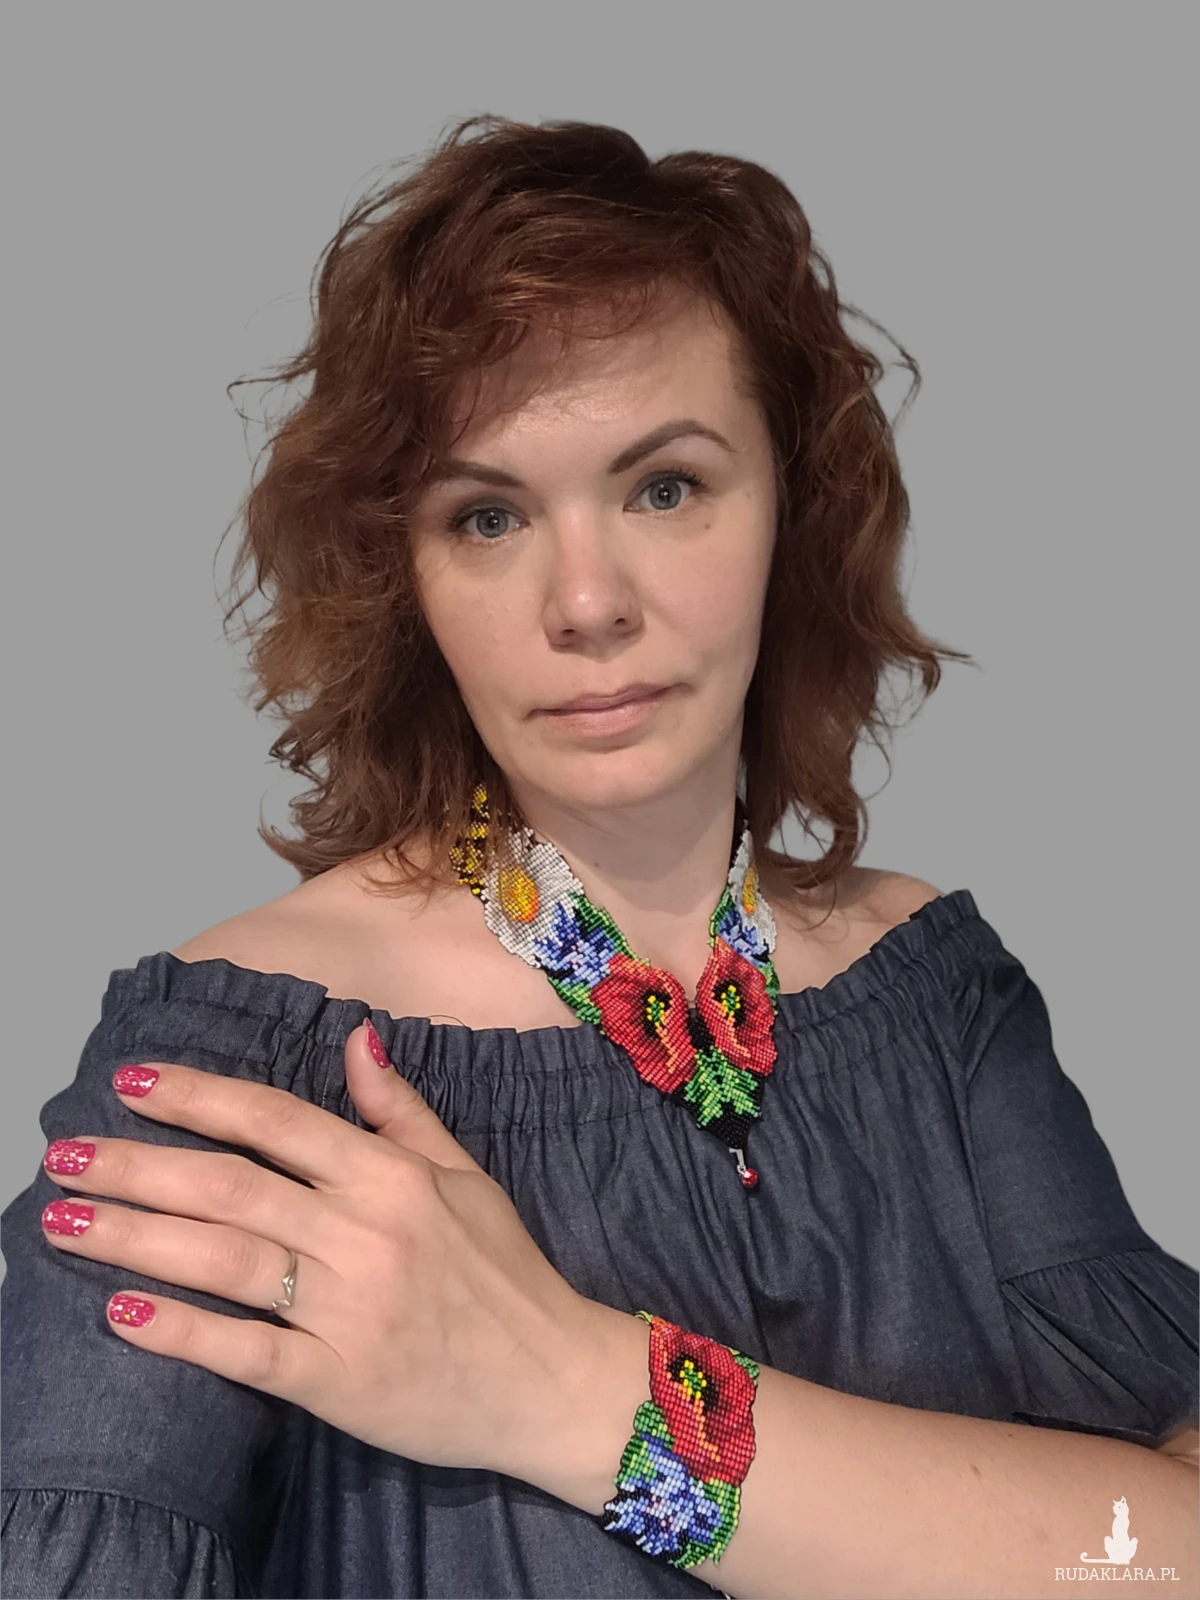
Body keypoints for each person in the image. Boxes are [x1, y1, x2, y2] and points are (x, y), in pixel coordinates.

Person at [2, 114, 1196, 1600]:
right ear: (404, 580)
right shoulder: (231, 1066)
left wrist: (568, 1392)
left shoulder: (934, 994)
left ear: (794, 510)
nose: (586, 602)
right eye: (487, 515)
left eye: (664, 488)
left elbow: (1160, 1554)